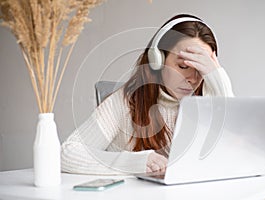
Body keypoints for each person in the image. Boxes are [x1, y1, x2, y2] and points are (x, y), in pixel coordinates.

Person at [61, 14, 234, 175]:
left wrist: (219, 82)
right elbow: (67, 153)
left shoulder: (209, 99)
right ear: (156, 61)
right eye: (183, 67)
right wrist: (134, 163)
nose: (193, 79)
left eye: (201, 69)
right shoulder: (126, 101)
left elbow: (236, 157)